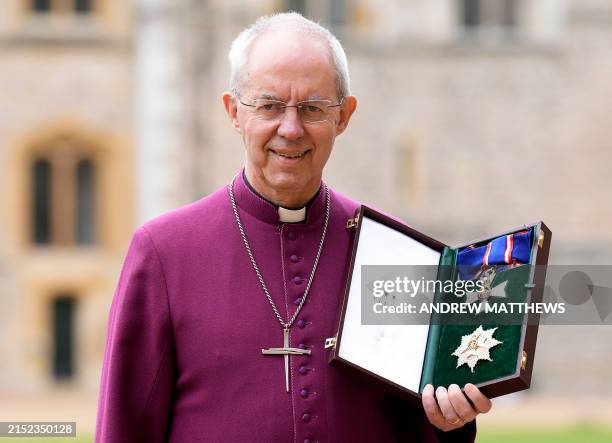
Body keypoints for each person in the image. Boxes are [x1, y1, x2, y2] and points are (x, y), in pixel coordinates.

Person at [95, 12, 492, 442]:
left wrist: (452, 422)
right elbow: (124, 426)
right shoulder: (163, 252)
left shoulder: (394, 250)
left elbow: (420, 426)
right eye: (268, 106)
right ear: (234, 111)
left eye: (312, 108)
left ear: (344, 116)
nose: (290, 128)